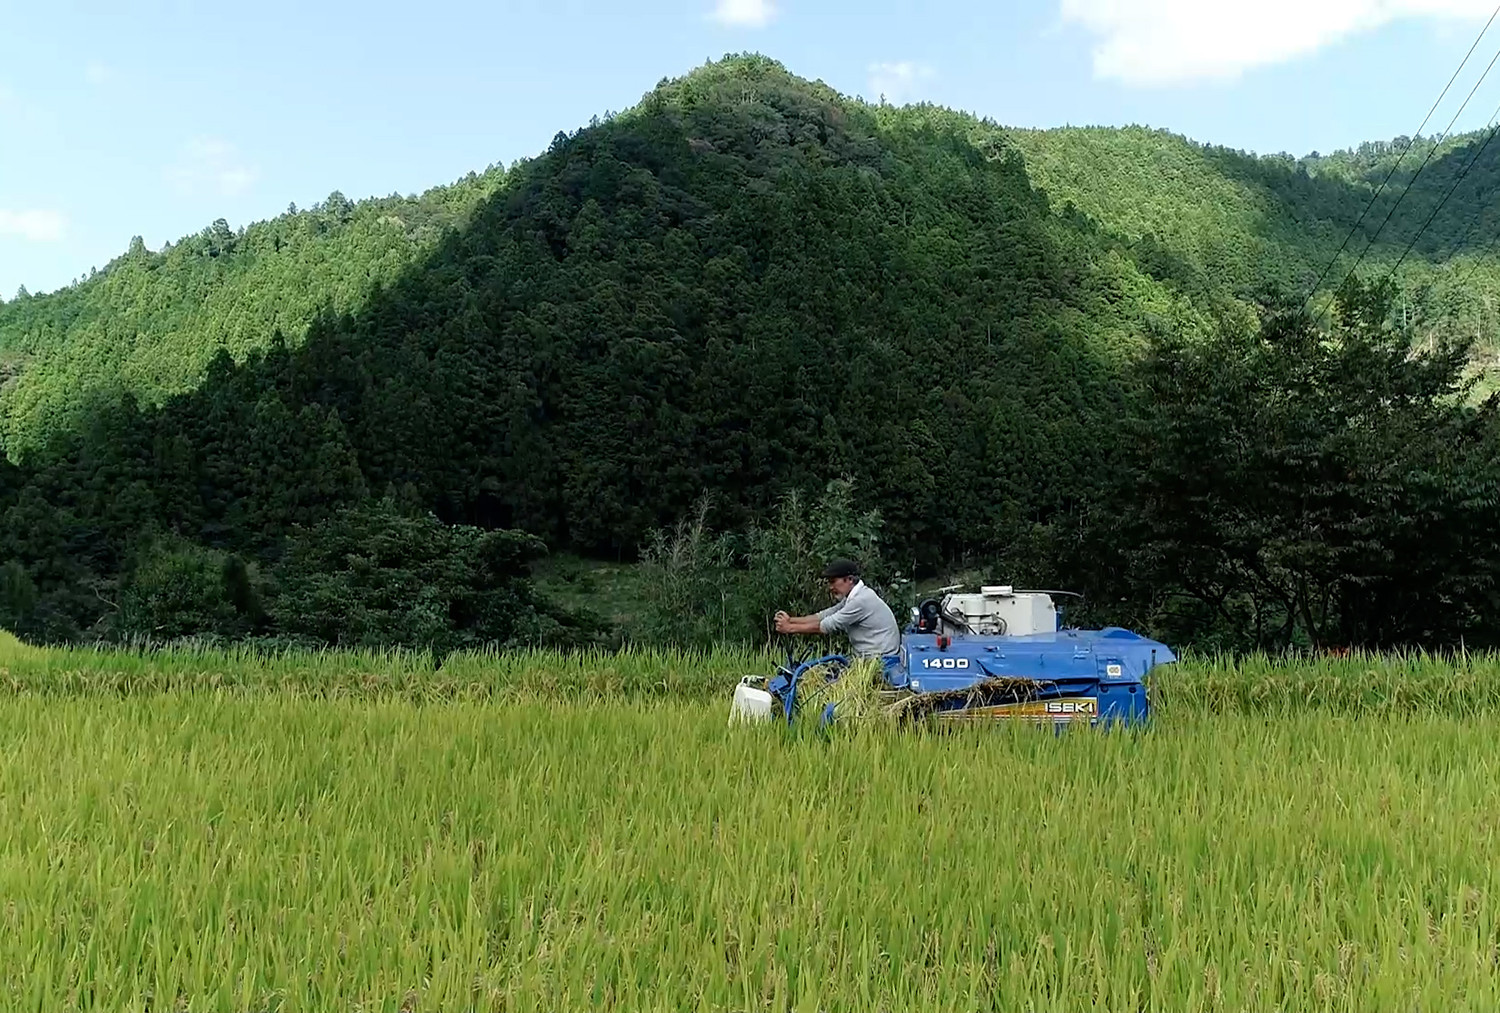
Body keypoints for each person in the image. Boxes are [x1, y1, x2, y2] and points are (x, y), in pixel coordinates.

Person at [774, 559, 901, 659]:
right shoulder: (854, 596)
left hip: (881, 661)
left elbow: (827, 626)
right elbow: (823, 616)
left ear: (849, 580)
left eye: (833, 581)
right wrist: (790, 620)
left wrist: (789, 628)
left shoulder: (861, 601)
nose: (830, 587)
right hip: (867, 657)